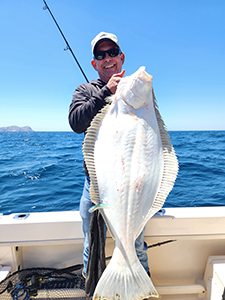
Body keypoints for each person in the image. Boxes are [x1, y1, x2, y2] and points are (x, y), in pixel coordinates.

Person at [68, 32, 149, 278]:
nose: (107, 58)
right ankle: (94, 291)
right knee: (92, 247)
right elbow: (76, 122)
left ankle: (142, 292)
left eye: (112, 52)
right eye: (100, 55)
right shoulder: (85, 89)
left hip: (132, 184)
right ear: (94, 63)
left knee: (136, 245)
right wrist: (105, 93)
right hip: (95, 185)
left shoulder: (136, 87)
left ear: (121, 57)